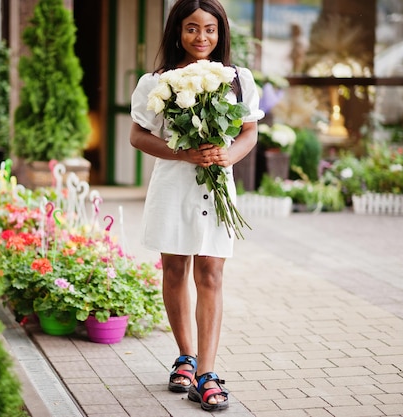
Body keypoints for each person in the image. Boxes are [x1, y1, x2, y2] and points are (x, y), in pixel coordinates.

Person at [129, 0, 264, 412]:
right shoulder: (155, 81)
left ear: (221, 32)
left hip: (216, 184)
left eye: (209, 29)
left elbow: (249, 131)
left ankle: (206, 374)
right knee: (174, 270)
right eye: (191, 28)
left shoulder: (238, 78)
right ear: (177, 31)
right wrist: (182, 153)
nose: (201, 37)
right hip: (173, 184)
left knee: (211, 273)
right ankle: (185, 356)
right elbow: (138, 135)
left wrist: (231, 155)